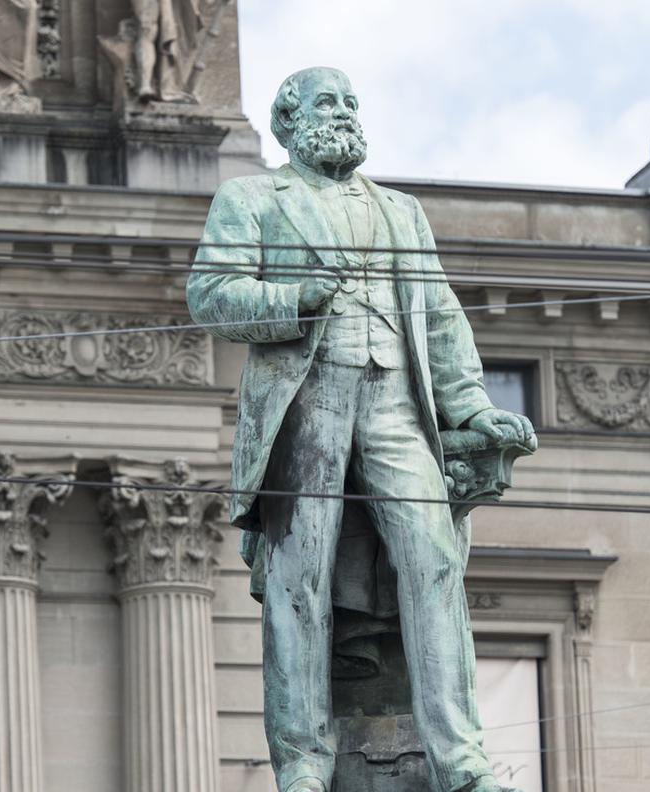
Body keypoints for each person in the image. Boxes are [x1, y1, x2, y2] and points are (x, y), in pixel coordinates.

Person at [187, 66, 534, 792]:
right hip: (305, 406)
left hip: (395, 406)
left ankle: (462, 763)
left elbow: (439, 318)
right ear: (289, 121)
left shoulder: (401, 212)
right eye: (326, 102)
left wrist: (471, 408)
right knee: (298, 584)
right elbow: (211, 295)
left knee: (434, 561)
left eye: (351, 101)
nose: (342, 113)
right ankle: (304, 766)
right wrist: (295, 297)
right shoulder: (251, 197)